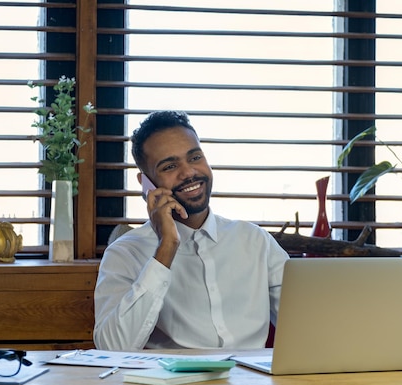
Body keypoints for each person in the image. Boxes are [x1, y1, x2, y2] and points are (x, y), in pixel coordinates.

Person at [93, 110, 289, 350]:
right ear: (146, 183)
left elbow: (307, 325)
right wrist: (166, 248)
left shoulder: (255, 242)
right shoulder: (125, 253)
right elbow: (112, 349)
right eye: (170, 166)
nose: (188, 172)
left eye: (195, 158)